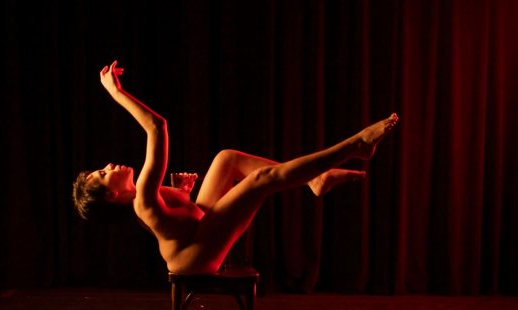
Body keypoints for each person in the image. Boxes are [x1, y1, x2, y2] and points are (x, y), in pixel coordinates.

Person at [73, 60, 399, 275]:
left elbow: (182, 217)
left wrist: (186, 193)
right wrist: (116, 93)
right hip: (197, 258)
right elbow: (157, 126)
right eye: (103, 174)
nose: (108, 165)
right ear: (114, 196)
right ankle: (355, 146)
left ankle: (317, 179)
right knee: (260, 180)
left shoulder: (147, 197)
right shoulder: (142, 197)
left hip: (196, 234)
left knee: (226, 158)